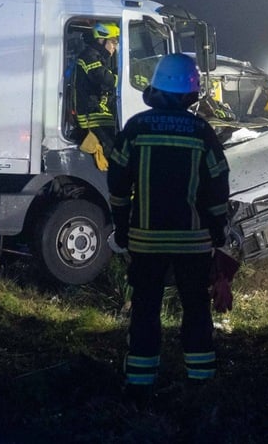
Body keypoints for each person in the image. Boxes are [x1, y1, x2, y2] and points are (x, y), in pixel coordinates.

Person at [108, 53, 231, 398]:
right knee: (196, 308)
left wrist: (121, 225)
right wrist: (217, 229)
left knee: (145, 307)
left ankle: (140, 384)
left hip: (145, 241)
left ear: (156, 87)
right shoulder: (201, 131)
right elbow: (218, 185)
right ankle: (201, 381)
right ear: (192, 94)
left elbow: (117, 184)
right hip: (192, 242)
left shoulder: (136, 128)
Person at [74, 21, 120, 158]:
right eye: (113, 42)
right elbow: (104, 78)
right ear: (101, 39)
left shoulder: (98, 57)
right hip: (91, 116)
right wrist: (124, 79)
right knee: (112, 152)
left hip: (99, 113)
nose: (114, 48)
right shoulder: (89, 56)